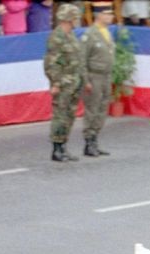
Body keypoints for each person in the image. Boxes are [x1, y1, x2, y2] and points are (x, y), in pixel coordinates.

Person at [44, 3, 84, 162]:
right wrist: (55, 83)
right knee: (60, 116)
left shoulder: (71, 35)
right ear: (68, 19)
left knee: (70, 115)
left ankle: (64, 146)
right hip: (63, 83)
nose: (77, 20)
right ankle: (56, 148)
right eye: (75, 17)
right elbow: (51, 63)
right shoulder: (56, 37)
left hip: (73, 82)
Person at [80, 1, 114, 157]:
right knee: (92, 109)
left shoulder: (106, 32)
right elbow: (82, 59)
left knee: (102, 108)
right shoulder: (90, 35)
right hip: (94, 76)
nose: (111, 16)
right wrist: (85, 80)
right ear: (99, 15)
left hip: (106, 76)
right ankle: (89, 142)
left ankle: (95, 139)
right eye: (108, 13)